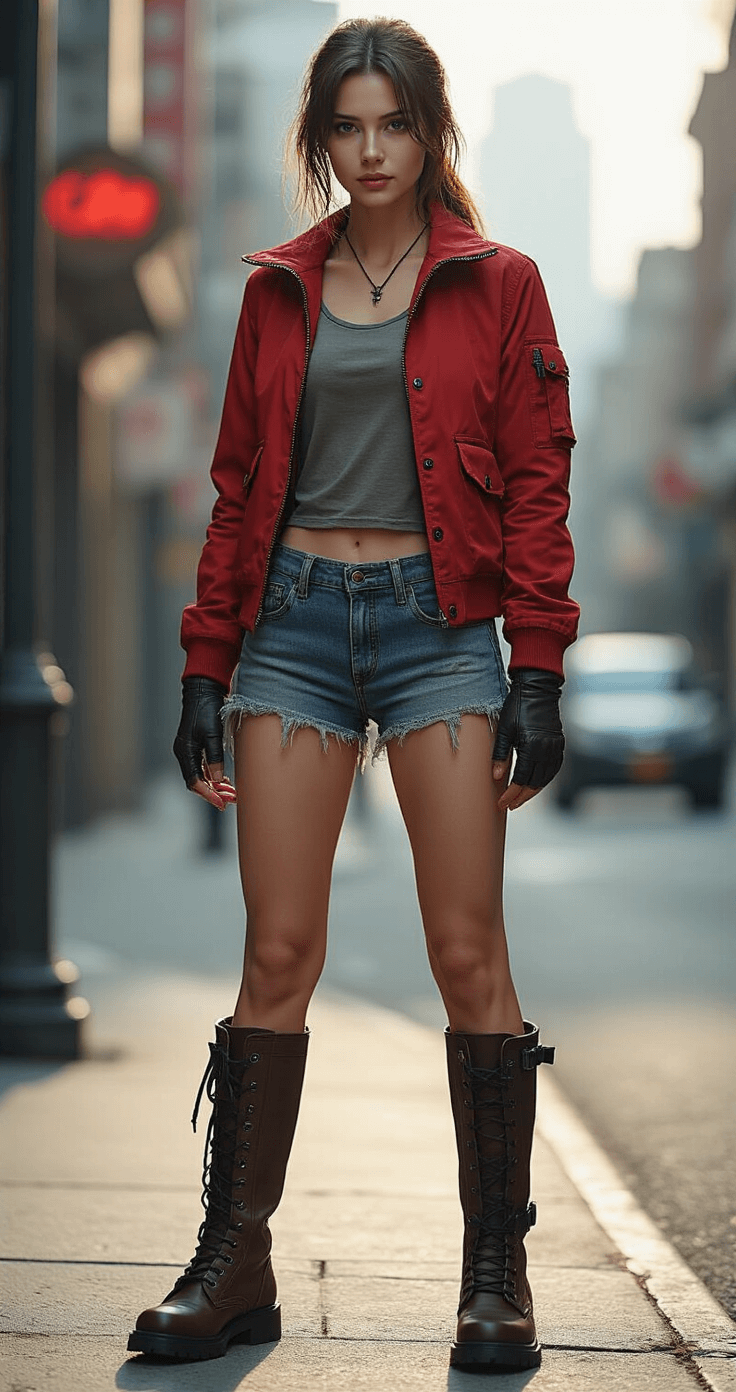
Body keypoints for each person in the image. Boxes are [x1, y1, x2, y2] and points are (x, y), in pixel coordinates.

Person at [127, 17, 579, 1373]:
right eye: (347, 127)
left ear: (431, 131)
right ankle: (236, 1263)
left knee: (467, 954)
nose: (371, 150)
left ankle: (496, 1273)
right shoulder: (278, 289)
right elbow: (234, 491)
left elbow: (541, 477)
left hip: (442, 631)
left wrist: (539, 665)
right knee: (277, 953)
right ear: (320, 139)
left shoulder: (502, 284)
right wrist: (206, 663)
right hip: (298, 630)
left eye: (393, 123)